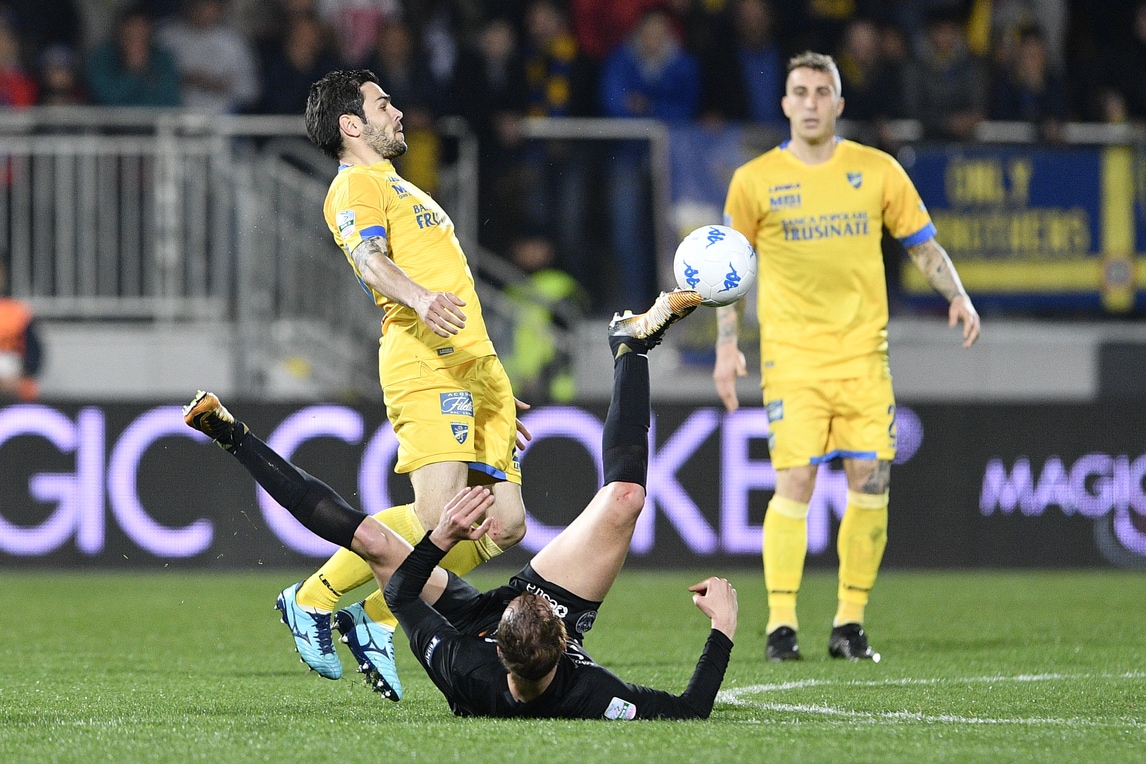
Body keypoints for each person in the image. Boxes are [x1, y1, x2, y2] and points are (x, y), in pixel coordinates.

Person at [184, 288, 736, 719]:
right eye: (544, 606)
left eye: (529, 601)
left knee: (372, 541)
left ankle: (232, 436)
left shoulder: (464, 666)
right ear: (566, 634)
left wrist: (439, 539)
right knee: (625, 499)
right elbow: (689, 710)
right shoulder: (588, 690)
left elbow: (401, 592)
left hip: (469, 622)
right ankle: (630, 346)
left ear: (500, 648)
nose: (532, 594)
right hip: (528, 637)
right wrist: (724, 629)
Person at [712, 51, 981, 663]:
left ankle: (849, 624)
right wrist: (727, 345)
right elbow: (732, 272)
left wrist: (958, 296)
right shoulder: (754, 180)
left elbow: (923, 245)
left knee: (870, 480)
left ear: (838, 103)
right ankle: (782, 625)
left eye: (821, 92)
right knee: (795, 482)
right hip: (793, 359)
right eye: (800, 91)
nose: (810, 102)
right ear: (785, 103)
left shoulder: (877, 169)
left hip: (863, 356)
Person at [275, 68, 529, 700]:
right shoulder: (353, 185)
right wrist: (418, 298)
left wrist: (490, 387)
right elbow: (369, 259)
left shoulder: (399, 184)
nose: (397, 112)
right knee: (440, 515)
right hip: (424, 360)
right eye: (383, 104)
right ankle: (313, 598)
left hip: (474, 368)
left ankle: (376, 614)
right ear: (351, 124)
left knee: (503, 524)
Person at [0, 260, 43, 402]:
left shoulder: (17, 310)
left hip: (15, 374)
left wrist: (23, 374)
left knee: (28, 387)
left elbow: (34, 350)